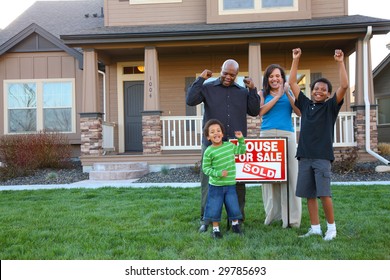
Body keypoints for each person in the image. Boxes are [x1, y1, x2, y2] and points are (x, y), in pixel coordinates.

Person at [186, 59, 260, 232]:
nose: (228, 77)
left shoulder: (242, 92)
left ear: (237, 75)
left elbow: (254, 110)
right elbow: (190, 100)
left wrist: (252, 89)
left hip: (234, 144)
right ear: (221, 70)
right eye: (225, 73)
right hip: (212, 144)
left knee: (238, 182)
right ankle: (206, 219)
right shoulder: (208, 87)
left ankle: (237, 219)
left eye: (232, 75)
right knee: (209, 182)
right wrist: (200, 80)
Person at [289, 48, 349, 241]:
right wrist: (295, 59)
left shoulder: (331, 107)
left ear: (329, 93)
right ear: (311, 91)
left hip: (322, 157)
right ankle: (315, 228)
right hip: (305, 156)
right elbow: (291, 83)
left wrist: (340, 62)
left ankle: (331, 229)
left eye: (323, 89)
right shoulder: (305, 104)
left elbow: (345, 86)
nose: (319, 91)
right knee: (310, 195)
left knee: (324, 194)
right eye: (316, 88)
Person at [258, 64, 302, 228]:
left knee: (291, 177)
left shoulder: (288, 93)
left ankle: (292, 219)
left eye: (278, 76)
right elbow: (260, 111)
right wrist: (277, 96)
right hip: (267, 135)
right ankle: (273, 215)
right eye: (271, 76)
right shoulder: (262, 93)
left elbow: (299, 112)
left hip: (287, 135)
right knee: (269, 178)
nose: (274, 79)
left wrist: (288, 93)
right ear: (267, 79)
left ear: (283, 78)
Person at [202, 119, 245, 238]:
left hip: (230, 184)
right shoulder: (209, 151)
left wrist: (240, 139)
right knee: (215, 207)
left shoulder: (229, 146)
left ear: (222, 133)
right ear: (208, 137)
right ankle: (216, 229)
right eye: (212, 132)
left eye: (218, 131)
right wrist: (218, 173)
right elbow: (206, 169)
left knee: (233, 206)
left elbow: (242, 151)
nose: (216, 133)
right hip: (216, 186)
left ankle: (235, 226)